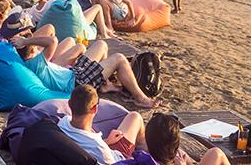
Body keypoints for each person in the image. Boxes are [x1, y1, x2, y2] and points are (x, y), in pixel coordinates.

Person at [11, 30, 158, 108]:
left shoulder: (27, 62)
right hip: (77, 82)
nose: (37, 47)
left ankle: (104, 85)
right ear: (31, 52)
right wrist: (25, 41)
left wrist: (25, 42)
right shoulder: (35, 63)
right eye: (35, 47)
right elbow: (52, 40)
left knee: (101, 45)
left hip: (74, 73)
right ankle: (141, 99)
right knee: (119, 58)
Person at [57, 85, 146, 165]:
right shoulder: (98, 146)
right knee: (135, 117)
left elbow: (84, 145)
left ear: (69, 103)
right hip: (119, 161)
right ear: (95, 109)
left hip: (100, 150)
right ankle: (147, 152)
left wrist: (106, 141)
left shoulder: (63, 123)